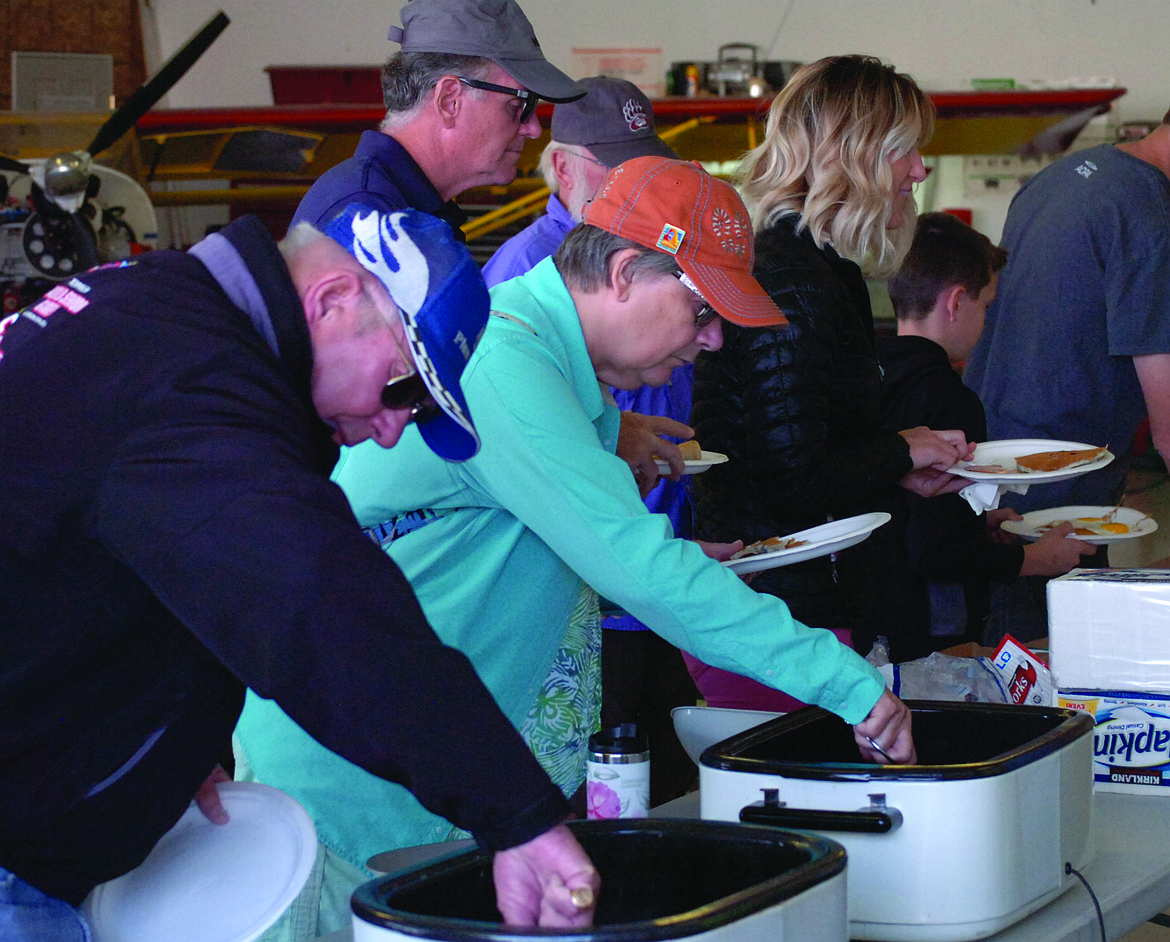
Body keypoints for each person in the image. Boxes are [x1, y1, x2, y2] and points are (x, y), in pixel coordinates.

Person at [235, 158, 918, 935]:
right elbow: (643, 570)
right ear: (624, 273)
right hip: (354, 785)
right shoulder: (503, 363)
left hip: (422, 773)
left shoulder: (544, 365)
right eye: (700, 311)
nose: (715, 339)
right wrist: (846, 683)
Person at [0, 204, 599, 942]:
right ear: (334, 299)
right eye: (404, 389)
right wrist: (517, 816)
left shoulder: (158, 312)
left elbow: (93, 561)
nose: (389, 429)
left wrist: (156, 740)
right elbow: (319, 609)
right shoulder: (190, 376)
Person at [687, 55, 973, 707]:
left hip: (792, 609)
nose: (919, 171)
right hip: (779, 617)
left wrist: (898, 464)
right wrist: (902, 449)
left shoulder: (817, 269)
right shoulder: (794, 277)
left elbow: (799, 447)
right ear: (856, 154)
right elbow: (792, 480)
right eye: (907, 151)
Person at [482, 76, 697, 806]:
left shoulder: (648, 265)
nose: (633, 185)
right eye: (616, 167)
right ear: (563, 167)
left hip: (646, 578)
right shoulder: (520, 284)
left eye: (646, 164)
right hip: (592, 603)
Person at [963, 109, 1170, 639]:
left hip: (989, 458)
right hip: (1056, 489)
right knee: (1051, 672)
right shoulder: (1150, 215)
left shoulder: (1063, 176)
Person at [870, 211, 1094, 661]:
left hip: (876, 610)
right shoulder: (950, 400)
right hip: (933, 629)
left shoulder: (872, 377)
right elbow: (934, 549)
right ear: (956, 302)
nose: (985, 322)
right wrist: (1034, 561)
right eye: (986, 305)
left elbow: (905, 511)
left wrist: (976, 524)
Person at [292, 0, 585, 231]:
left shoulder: (383, 205)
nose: (533, 129)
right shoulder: (368, 222)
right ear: (449, 101)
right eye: (517, 105)